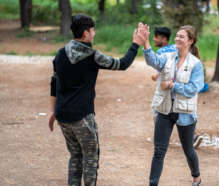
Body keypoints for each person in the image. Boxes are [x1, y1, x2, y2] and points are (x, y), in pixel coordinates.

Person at [48, 14, 145, 186]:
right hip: (82, 116)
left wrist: (52, 110)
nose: (94, 33)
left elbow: (54, 81)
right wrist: (135, 44)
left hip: (62, 115)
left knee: (75, 156)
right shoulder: (92, 55)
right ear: (85, 33)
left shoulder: (61, 53)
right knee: (90, 158)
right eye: (92, 31)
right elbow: (121, 64)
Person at [139, 23, 203, 186]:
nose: (177, 38)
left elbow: (194, 89)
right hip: (165, 110)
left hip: (185, 113)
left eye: (182, 36)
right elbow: (152, 61)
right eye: (177, 36)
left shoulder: (195, 64)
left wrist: (173, 85)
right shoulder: (167, 57)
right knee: (159, 151)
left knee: (188, 150)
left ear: (190, 41)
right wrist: (146, 42)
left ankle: (196, 178)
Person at [151, 26, 204, 149]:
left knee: (157, 111)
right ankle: (194, 137)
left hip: (168, 91)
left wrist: (157, 78)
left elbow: (156, 73)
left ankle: (160, 136)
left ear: (164, 39)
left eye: (155, 37)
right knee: (186, 113)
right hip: (183, 92)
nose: (153, 39)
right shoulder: (181, 49)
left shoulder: (163, 52)